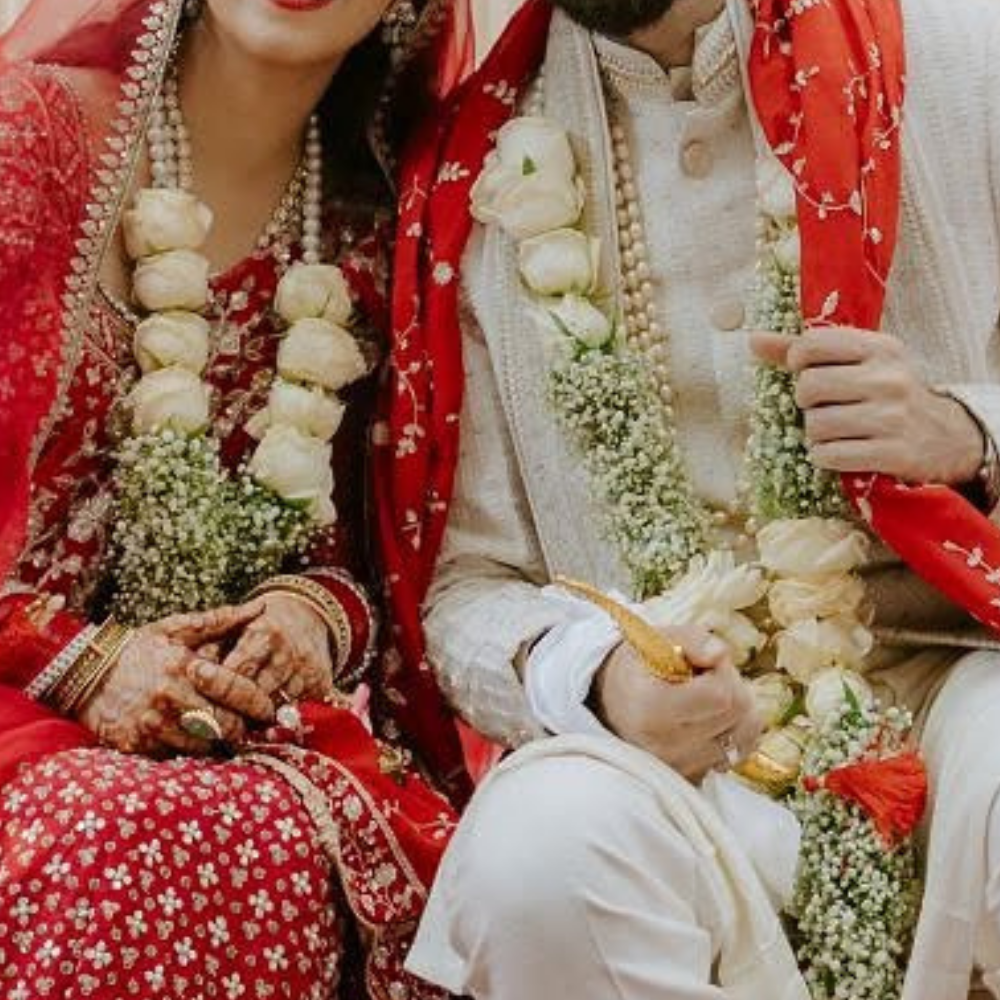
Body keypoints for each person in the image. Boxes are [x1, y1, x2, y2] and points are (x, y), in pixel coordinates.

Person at [372, 0, 1000, 996]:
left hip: (951, 682)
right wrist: (601, 676)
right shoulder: (473, 170)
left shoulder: (964, 58)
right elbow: (467, 587)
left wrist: (966, 431)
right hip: (668, 753)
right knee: (533, 858)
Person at [0, 0, 467, 997]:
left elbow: (367, 560)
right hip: (21, 694)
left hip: (216, 727)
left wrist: (309, 614)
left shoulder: (368, 223)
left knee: (288, 838)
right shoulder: (29, 145)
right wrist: (86, 664)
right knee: (110, 828)